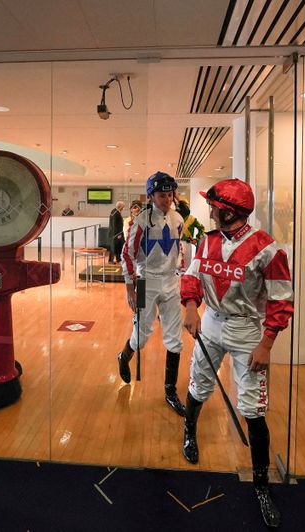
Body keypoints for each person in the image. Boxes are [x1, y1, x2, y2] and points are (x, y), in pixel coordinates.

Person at [179, 179, 293, 528]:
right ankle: (189, 432)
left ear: (227, 212)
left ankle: (260, 484)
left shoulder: (268, 249)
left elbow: (281, 299)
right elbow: (192, 278)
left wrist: (267, 343)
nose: (209, 211)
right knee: (199, 384)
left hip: (247, 330)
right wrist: (189, 306)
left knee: (253, 408)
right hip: (211, 323)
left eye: (213, 206)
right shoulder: (206, 241)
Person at [117, 171, 186, 417]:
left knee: (175, 339)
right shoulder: (141, 221)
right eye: (161, 195)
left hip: (171, 281)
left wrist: (182, 277)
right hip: (146, 280)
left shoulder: (178, 218)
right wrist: (129, 287)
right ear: (151, 196)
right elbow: (127, 254)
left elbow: (179, 251)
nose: (166, 199)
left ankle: (170, 391)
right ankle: (124, 356)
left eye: (169, 194)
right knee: (142, 334)